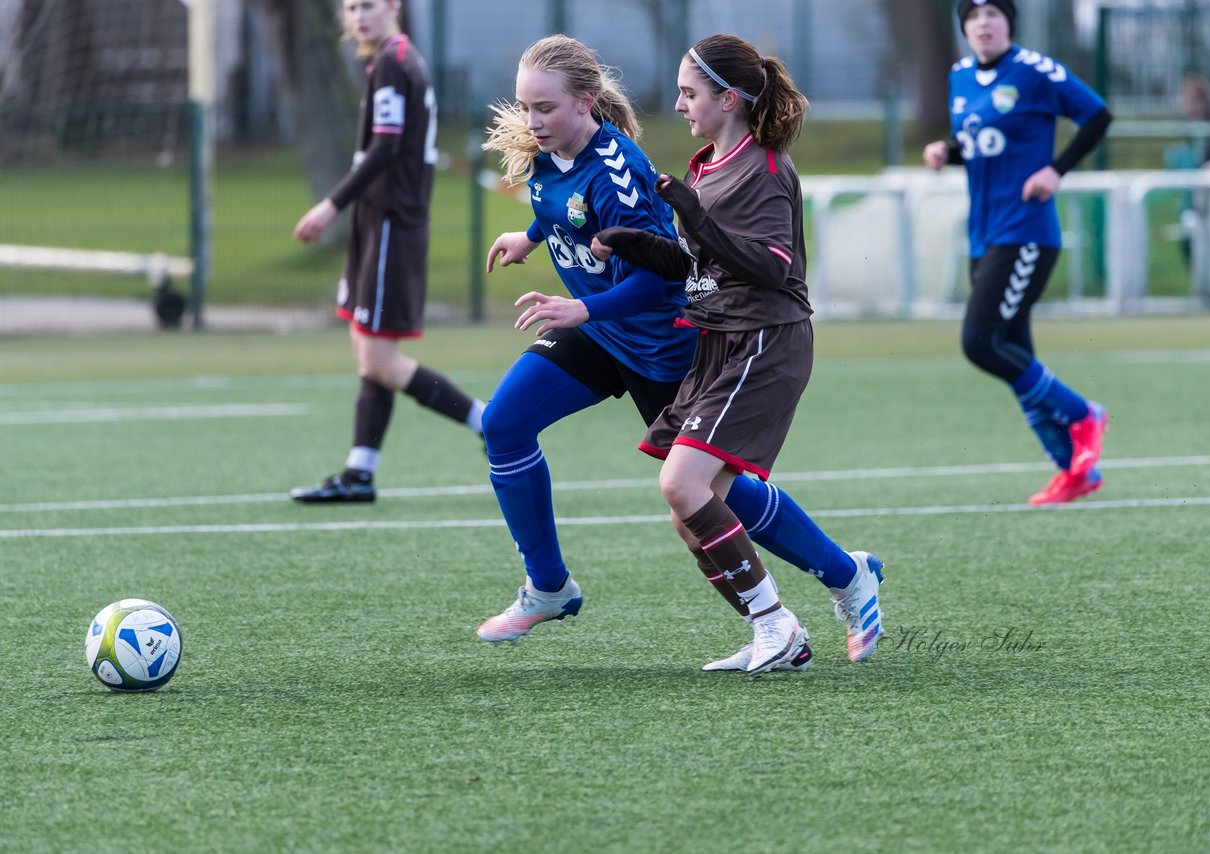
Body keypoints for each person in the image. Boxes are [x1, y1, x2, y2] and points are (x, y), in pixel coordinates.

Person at [477, 35, 882, 675]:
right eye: (524, 106)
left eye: (544, 108)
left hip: (663, 344)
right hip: (601, 331)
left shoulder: (624, 170)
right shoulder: (548, 149)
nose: (530, 122)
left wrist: (582, 307)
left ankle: (836, 577)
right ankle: (550, 587)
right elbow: (563, 206)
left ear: (586, 104)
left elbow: (664, 279)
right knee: (503, 423)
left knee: (710, 495)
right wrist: (528, 235)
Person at [289, 0, 485, 504]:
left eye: (368, 5)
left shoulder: (396, 62)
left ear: (393, 7)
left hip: (393, 222)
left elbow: (386, 146)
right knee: (367, 349)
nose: (358, 16)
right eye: (351, 7)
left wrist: (330, 206)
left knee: (379, 358)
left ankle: (488, 422)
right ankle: (360, 471)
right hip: (378, 222)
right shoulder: (387, 60)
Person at [923, 0, 1111, 505]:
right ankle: (1074, 470)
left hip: (1025, 230)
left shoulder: (1033, 70)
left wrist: (1056, 169)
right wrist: (948, 151)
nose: (983, 22)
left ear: (1009, 23)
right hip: (984, 235)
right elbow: (981, 142)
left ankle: (1082, 415)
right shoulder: (960, 75)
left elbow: (1097, 115)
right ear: (963, 28)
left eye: (993, 13)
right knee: (1016, 356)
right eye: (973, 15)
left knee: (980, 342)